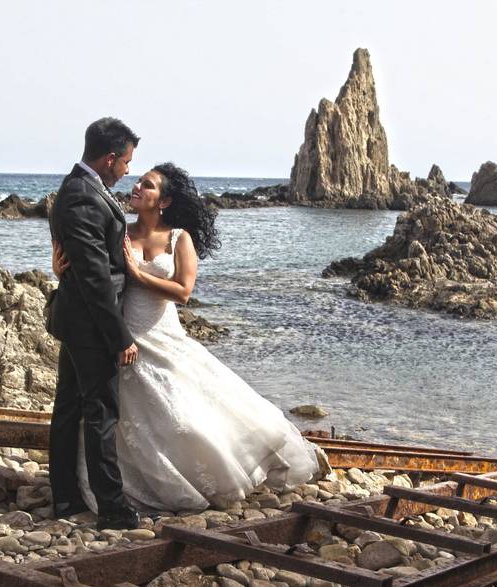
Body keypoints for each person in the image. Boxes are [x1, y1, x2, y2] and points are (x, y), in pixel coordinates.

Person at [53, 163, 320, 513]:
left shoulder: (179, 238)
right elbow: (94, 273)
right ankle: (120, 488)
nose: (136, 187)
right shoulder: (120, 231)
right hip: (122, 334)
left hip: (162, 334)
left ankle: (205, 476)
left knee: (183, 419)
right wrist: (61, 272)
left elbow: (183, 292)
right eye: (137, 182)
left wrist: (137, 274)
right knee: (126, 421)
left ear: (163, 201)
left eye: (146, 185)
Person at [46, 117, 140, 529]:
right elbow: (94, 276)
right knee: (100, 411)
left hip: (78, 319)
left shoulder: (84, 189)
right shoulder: (83, 195)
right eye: (125, 164)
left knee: (69, 408)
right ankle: (112, 508)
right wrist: (119, 336)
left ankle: (66, 498)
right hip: (89, 323)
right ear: (109, 158)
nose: (127, 171)